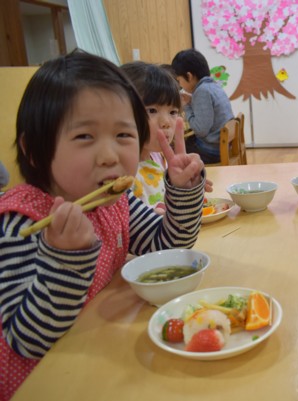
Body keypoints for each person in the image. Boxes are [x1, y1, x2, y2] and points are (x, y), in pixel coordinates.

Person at [0, 50, 207, 401]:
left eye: (124, 135)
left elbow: (167, 246)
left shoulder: (114, 201)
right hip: (42, 382)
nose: (111, 156)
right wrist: (64, 259)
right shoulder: (21, 220)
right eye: (85, 137)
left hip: (101, 354)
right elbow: (29, 339)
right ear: (34, 150)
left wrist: (183, 192)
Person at [121, 61, 181, 213]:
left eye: (173, 112)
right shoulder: (122, 174)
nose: (166, 122)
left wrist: (187, 189)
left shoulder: (159, 157)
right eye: (152, 110)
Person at [171, 49, 234, 164]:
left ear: (189, 76)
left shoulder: (202, 91)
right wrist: (191, 101)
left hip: (212, 151)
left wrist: (186, 106)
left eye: (179, 80)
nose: (180, 85)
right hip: (222, 145)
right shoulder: (214, 86)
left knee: (175, 148)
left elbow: (200, 131)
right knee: (185, 142)